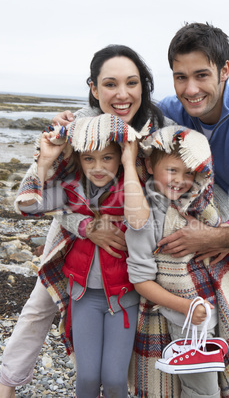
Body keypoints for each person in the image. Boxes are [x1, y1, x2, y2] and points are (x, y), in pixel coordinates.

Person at [0, 44, 171, 398]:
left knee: (155, 314)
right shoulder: (79, 129)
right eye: (110, 84)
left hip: (134, 244)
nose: (122, 94)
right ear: (94, 88)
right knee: (38, 306)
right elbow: (41, 192)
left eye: (132, 83)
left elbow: (176, 191)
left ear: (144, 85)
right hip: (73, 232)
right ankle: (6, 383)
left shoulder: (158, 131)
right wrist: (85, 226)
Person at [156, 22, 229, 362]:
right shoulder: (171, 111)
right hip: (213, 219)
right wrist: (75, 120)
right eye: (180, 77)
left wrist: (219, 237)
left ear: (225, 71)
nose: (190, 89)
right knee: (218, 331)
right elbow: (123, 118)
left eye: (202, 75)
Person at [17, 114, 149, 397]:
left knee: (114, 380)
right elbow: (28, 207)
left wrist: (129, 162)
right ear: (78, 159)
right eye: (89, 159)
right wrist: (43, 162)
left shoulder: (132, 189)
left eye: (108, 158)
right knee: (87, 378)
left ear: (120, 158)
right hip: (83, 296)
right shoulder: (70, 190)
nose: (98, 167)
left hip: (125, 297)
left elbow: (140, 222)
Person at [124, 125, 229, 397]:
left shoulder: (199, 203)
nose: (180, 180)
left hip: (217, 310)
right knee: (202, 391)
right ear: (149, 164)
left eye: (189, 173)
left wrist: (223, 236)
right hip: (185, 317)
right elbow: (140, 279)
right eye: (172, 170)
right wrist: (187, 307)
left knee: (219, 383)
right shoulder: (144, 216)